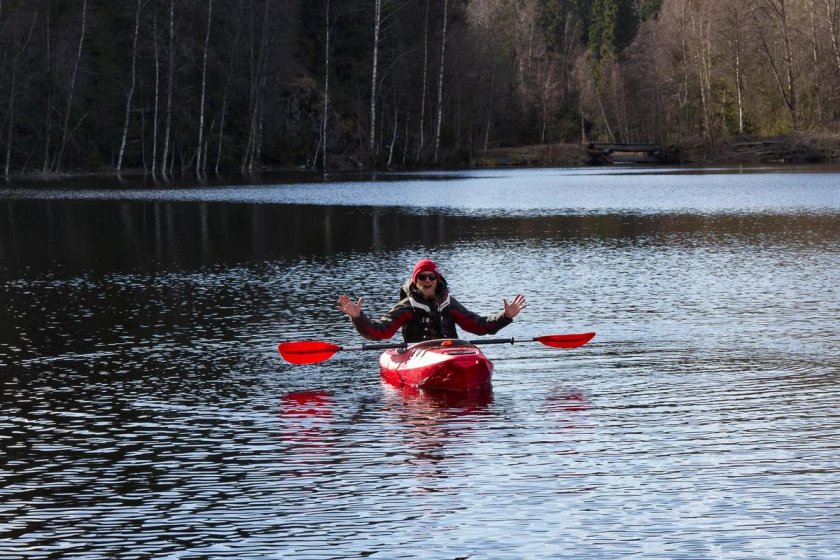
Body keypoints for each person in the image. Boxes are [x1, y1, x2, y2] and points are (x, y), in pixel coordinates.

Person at [337, 258, 527, 343]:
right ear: (416, 281)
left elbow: (479, 326)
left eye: (431, 276)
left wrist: (506, 316)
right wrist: (358, 317)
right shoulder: (408, 307)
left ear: (437, 280)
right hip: (417, 353)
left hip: (450, 351)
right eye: (422, 277)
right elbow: (381, 332)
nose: (427, 280)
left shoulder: (449, 304)